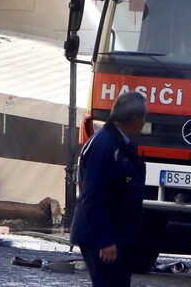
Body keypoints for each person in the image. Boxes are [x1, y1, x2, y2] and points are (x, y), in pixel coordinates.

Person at [71, 90, 148, 287]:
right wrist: (105, 240)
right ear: (134, 119)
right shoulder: (105, 147)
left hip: (114, 234)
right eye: (143, 119)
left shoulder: (115, 143)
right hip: (102, 237)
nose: (144, 124)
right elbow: (93, 197)